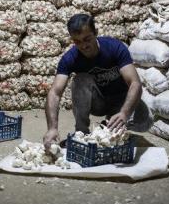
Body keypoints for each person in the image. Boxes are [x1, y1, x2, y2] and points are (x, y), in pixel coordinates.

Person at [43, 14, 152, 150]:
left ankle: (107, 127)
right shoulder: (70, 58)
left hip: (121, 101)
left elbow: (135, 83)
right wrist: (52, 128)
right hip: (98, 102)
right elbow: (55, 93)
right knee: (80, 80)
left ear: (96, 33)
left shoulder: (115, 47)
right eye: (77, 42)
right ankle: (81, 133)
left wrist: (124, 113)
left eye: (87, 39)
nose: (83, 45)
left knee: (145, 121)